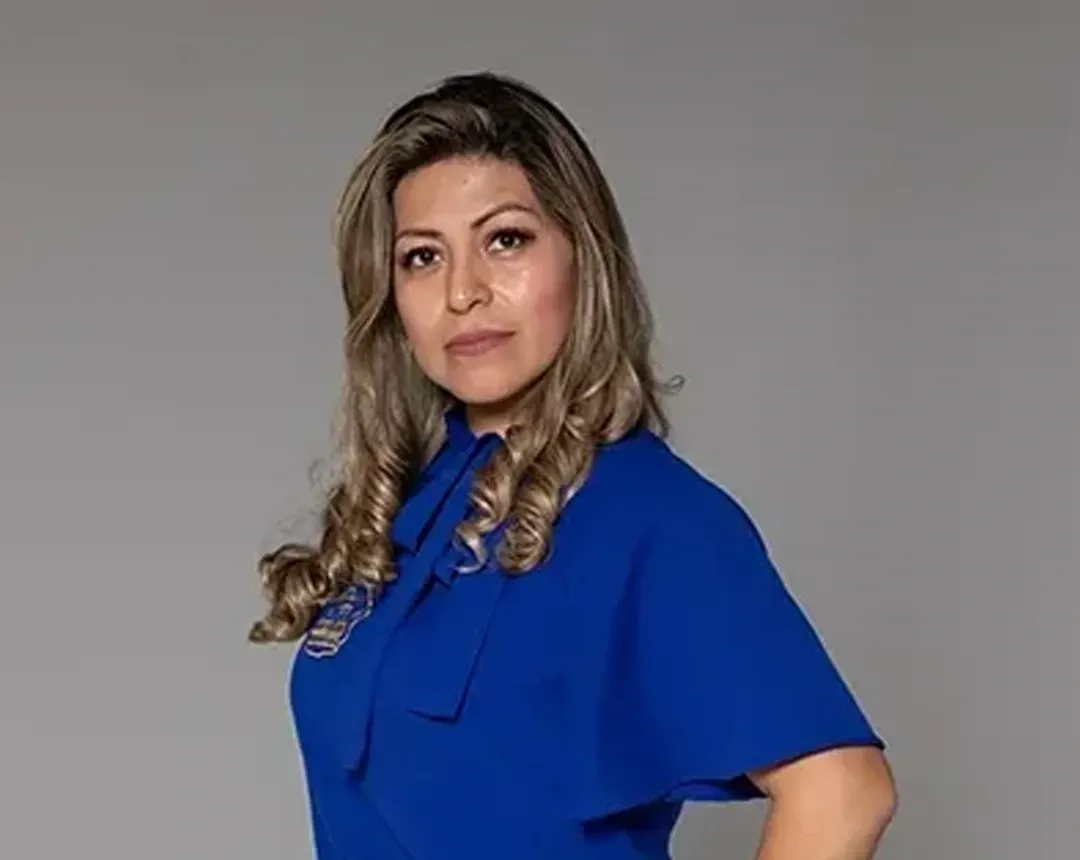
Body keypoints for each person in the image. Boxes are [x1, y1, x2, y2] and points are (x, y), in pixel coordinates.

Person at [248, 70, 897, 860]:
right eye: (421, 257)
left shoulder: (654, 518)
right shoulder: (400, 516)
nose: (463, 292)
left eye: (506, 240)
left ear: (579, 257)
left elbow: (843, 793)